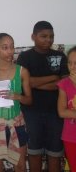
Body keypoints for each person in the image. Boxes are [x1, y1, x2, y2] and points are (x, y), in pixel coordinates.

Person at [17, 21, 69, 172]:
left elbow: (64, 84)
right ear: (33, 37)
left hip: (56, 112)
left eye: (51, 36)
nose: (48, 40)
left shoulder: (60, 56)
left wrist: (33, 83)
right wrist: (53, 76)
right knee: (34, 151)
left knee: (55, 152)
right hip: (31, 112)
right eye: (43, 36)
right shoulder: (25, 57)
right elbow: (25, 83)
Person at [0, 33, 32, 172]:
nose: (10, 51)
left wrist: (18, 96)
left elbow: (29, 100)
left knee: (20, 166)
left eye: (12, 47)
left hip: (17, 122)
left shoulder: (22, 71)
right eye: (5, 47)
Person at [57, 46, 76, 172]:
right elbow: (62, 112)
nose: (72, 67)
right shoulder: (64, 83)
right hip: (70, 136)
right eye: (70, 63)